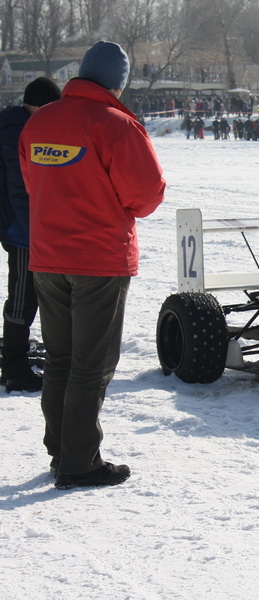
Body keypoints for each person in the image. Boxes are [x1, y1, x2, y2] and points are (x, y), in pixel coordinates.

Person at [19, 41, 166, 489]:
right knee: (92, 363)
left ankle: (61, 450)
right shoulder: (118, 127)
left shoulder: (40, 121)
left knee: (60, 359)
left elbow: (31, 182)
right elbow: (146, 197)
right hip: (98, 260)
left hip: (47, 257)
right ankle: (79, 462)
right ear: (117, 83)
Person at [0, 77, 61, 393]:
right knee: (23, 299)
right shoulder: (15, 131)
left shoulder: (21, 125)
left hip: (25, 226)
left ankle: (15, 364)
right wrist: (32, 229)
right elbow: (18, 190)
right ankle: (15, 370)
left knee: (29, 297)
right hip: (21, 229)